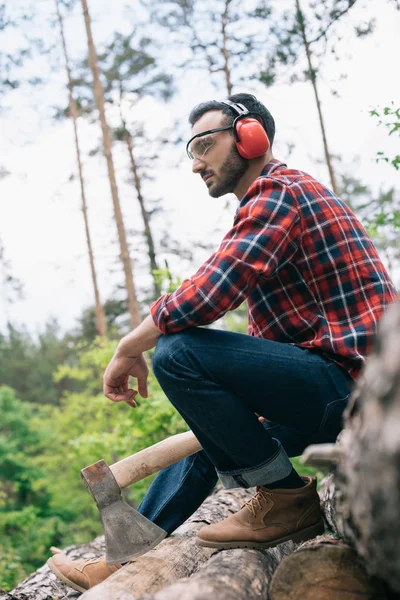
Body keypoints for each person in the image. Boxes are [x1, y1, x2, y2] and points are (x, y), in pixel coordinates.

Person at [48, 93, 396, 593]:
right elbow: (269, 343)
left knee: (177, 351)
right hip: (331, 387)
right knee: (209, 430)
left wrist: (129, 345)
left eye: (205, 145)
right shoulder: (274, 201)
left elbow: (211, 291)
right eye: (190, 151)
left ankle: (285, 500)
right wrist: (231, 416)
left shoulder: (280, 191)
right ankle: (128, 557)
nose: (196, 164)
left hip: (355, 389)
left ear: (251, 136)